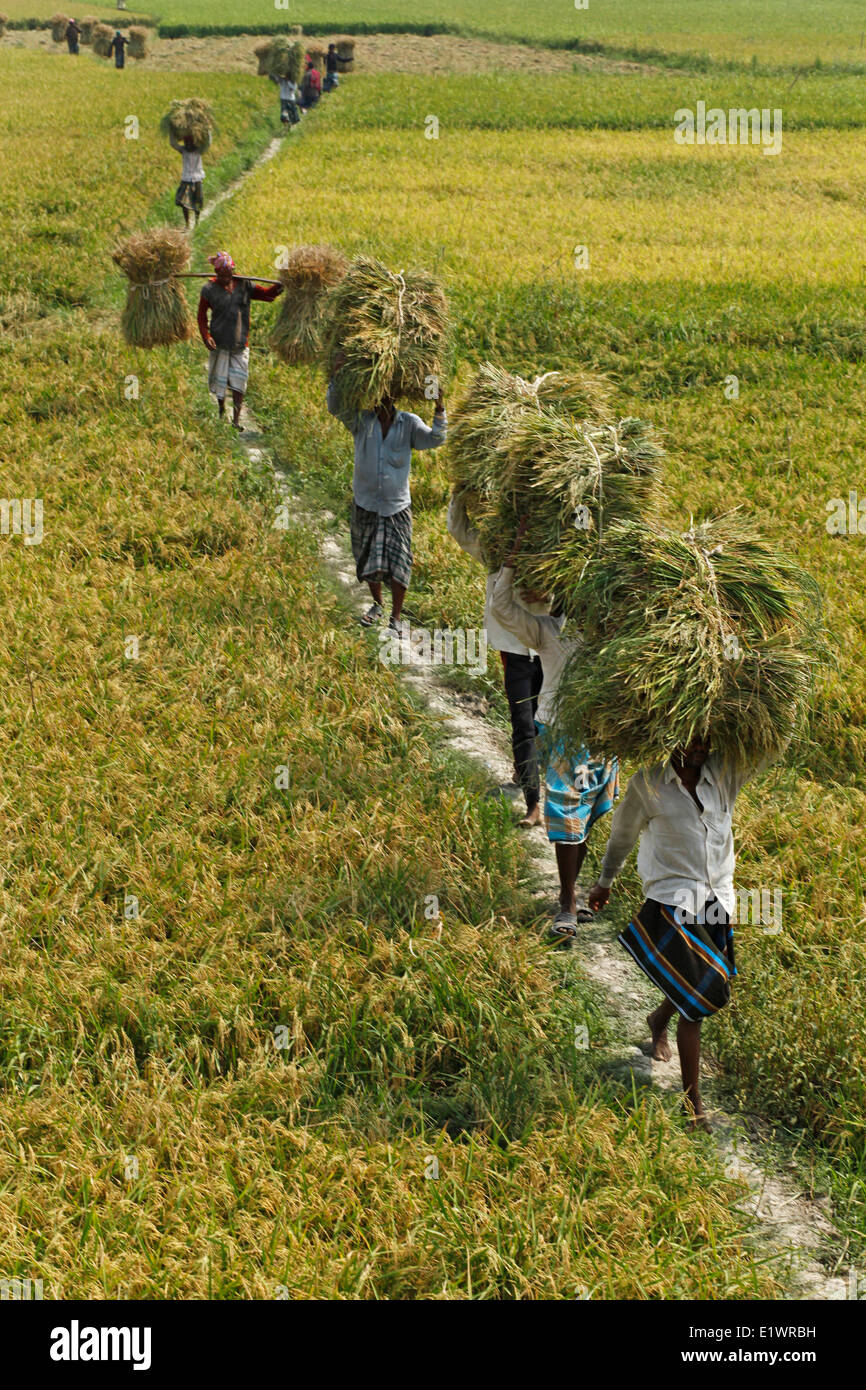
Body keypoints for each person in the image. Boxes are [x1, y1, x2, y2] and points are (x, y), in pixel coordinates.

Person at [587, 739, 749, 1131]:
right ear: (670, 736)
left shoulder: (724, 777)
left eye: (705, 742)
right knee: (697, 1003)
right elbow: (622, 836)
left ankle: (658, 1019)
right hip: (671, 899)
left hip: (717, 900)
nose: (698, 750)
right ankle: (693, 1105)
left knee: (693, 984)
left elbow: (769, 749)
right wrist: (605, 881)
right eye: (689, 741)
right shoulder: (648, 784)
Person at [491, 538, 618, 942]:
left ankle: (572, 893)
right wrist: (510, 564)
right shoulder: (547, 633)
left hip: (602, 739)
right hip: (563, 738)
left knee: (585, 817)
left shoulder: (611, 639)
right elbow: (501, 608)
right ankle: (565, 903)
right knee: (566, 816)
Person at [447, 494, 545, 829]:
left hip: (551, 646)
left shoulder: (555, 548)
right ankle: (534, 803)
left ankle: (525, 770)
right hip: (514, 646)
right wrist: (459, 491)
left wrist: (550, 595)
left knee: (542, 722)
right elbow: (460, 531)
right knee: (523, 722)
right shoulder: (497, 548)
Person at [327, 367, 447, 635]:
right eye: (380, 395)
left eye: (388, 396)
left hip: (396, 506)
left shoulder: (409, 424)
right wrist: (337, 373)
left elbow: (436, 439)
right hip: (366, 502)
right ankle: (377, 604)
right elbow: (334, 407)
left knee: (400, 562)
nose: (384, 400)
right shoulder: (361, 421)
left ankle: (396, 616)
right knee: (368, 557)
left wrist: (439, 407)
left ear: (395, 398)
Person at [197, 252, 283, 431]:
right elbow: (201, 316)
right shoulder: (209, 290)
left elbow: (267, 295)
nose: (225, 277)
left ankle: (236, 420)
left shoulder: (245, 285)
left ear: (234, 271)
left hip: (240, 343)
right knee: (221, 382)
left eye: (229, 273)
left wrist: (279, 287)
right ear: (216, 272)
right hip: (219, 342)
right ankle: (221, 409)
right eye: (222, 274)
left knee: (239, 382)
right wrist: (206, 337)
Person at [169, 132, 204, 230]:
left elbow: (208, 143)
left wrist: (208, 131)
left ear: (194, 143)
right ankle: (187, 224)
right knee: (184, 202)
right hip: (186, 179)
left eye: (190, 142)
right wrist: (171, 131)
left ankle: (197, 222)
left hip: (197, 179)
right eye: (186, 142)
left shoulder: (199, 151)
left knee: (198, 200)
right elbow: (173, 144)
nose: (188, 144)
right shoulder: (183, 151)